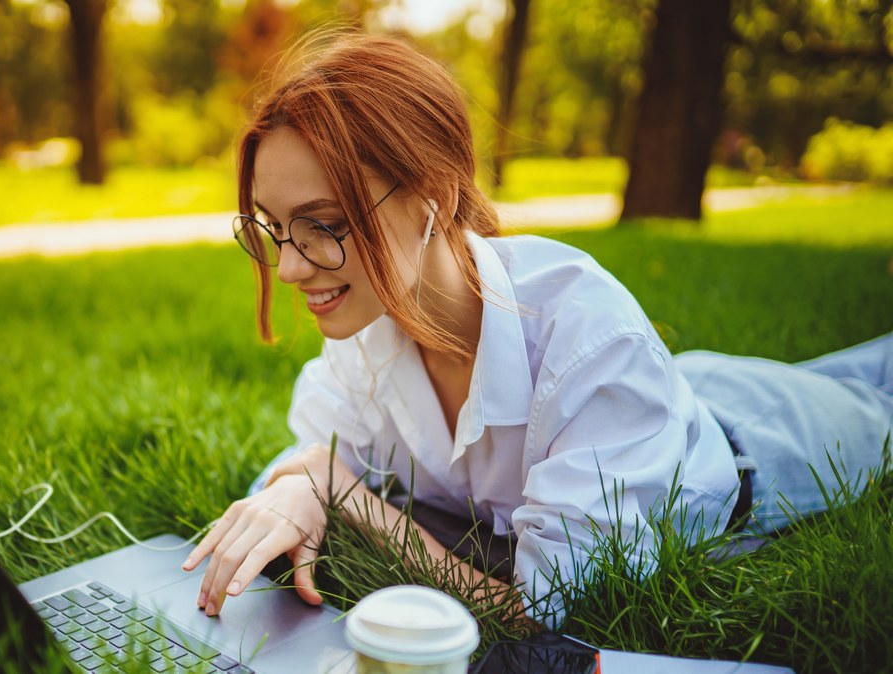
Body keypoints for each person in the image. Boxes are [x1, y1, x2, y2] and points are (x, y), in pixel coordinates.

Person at [179, 32, 893, 628]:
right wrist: (299, 486)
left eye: (325, 227)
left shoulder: (590, 341)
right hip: (648, 407)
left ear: (436, 195)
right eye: (276, 231)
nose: (293, 270)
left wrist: (344, 493)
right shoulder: (364, 337)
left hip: (757, 451)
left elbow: (535, 617)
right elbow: (303, 462)